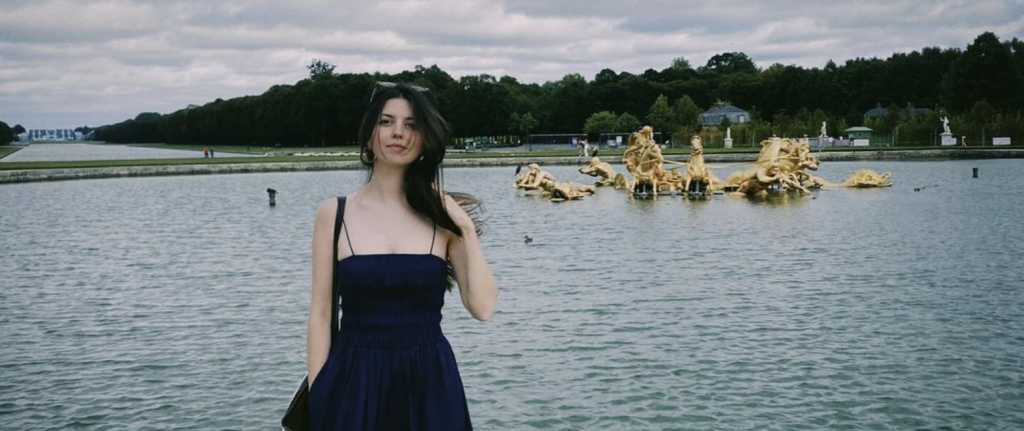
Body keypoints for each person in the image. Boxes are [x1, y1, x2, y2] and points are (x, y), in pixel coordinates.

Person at [306, 82, 497, 430]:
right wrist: (319, 394)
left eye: (411, 124)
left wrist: (465, 228)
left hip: (431, 384)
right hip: (353, 382)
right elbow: (320, 315)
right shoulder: (333, 214)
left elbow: (483, 308)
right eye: (386, 122)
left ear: (425, 137)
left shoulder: (443, 219)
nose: (398, 133)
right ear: (368, 134)